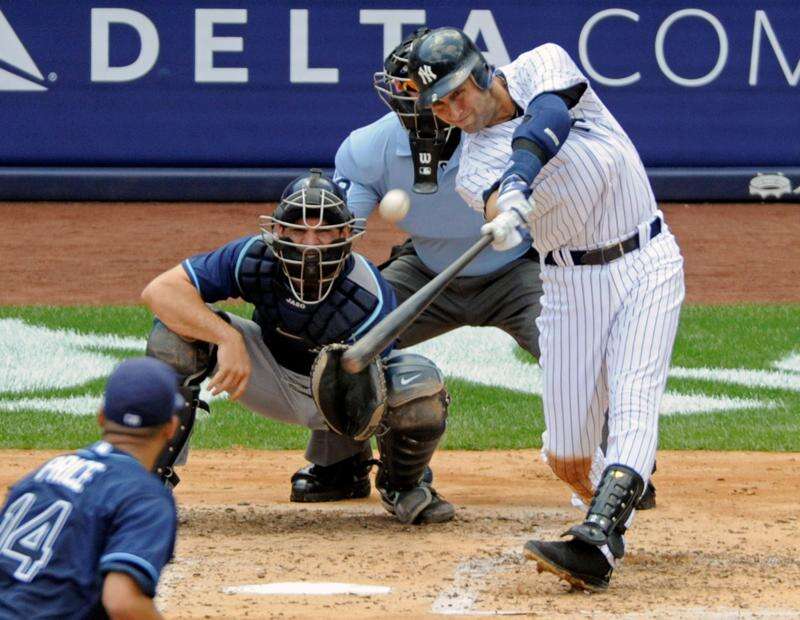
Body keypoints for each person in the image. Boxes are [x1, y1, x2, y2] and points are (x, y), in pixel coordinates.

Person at [407, 28, 684, 590]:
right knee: (566, 454)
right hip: (569, 285)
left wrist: (517, 182)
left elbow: (548, 118)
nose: (452, 110)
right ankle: (616, 492)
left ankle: (599, 536)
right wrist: (501, 210)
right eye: (438, 104)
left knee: (633, 395)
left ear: (482, 73)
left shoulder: (541, 65)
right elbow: (489, 201)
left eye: (458, 93)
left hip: (646, 258)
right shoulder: (471, 166)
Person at [290, 27, 544, 505]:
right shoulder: (370, 147)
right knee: (352, 339)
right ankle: (339, 464)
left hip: (517, 269)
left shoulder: (513, 133)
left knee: (575, 341)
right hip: (426, 268)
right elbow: (345, 226)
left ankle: (616, 465)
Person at [141, 169, 454, 524]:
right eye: (299, 230)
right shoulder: (252, 258)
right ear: (278, 231)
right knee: (174, 335)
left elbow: (365, 395)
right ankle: (149, 483)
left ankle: (399, 483)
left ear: (344, 234)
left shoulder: (368, 294)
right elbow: (160, 291)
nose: (309, 243)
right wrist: (226, 337)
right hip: (266, 374)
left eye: (322, 233)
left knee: (417, 383)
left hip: (345, 399)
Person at [0, 357, 181, 619]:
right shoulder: (145, 497)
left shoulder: (43, 474)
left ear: (101, 416)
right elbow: (123, 602)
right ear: (171, 428)